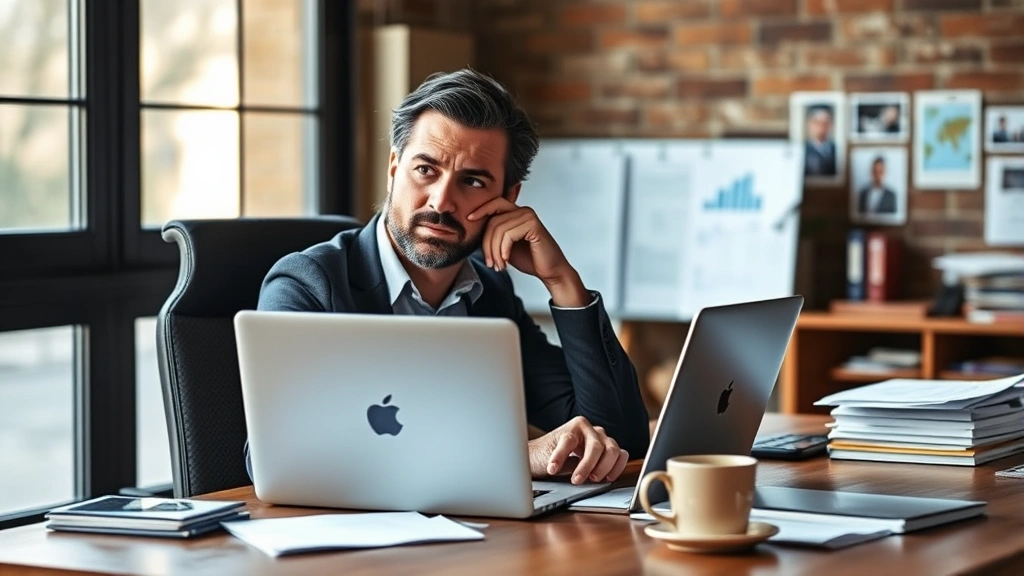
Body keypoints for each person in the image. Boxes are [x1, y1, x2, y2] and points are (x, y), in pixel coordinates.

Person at [246, 69, 649, 486]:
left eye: (472, 181)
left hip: (471, 538)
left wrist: (563, 281)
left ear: (508, 199)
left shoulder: (489, 292)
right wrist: (509, 457)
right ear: (393, 168)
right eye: (426, 170)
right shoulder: (308, 285)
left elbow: (618, 441)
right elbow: (276, 458)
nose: (441, 202)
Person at [804, 105, 837, 177]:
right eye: (817, 122)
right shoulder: (802, 150)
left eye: (825, 123)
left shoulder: (836, 149)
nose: (821, 127)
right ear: (809, 124)